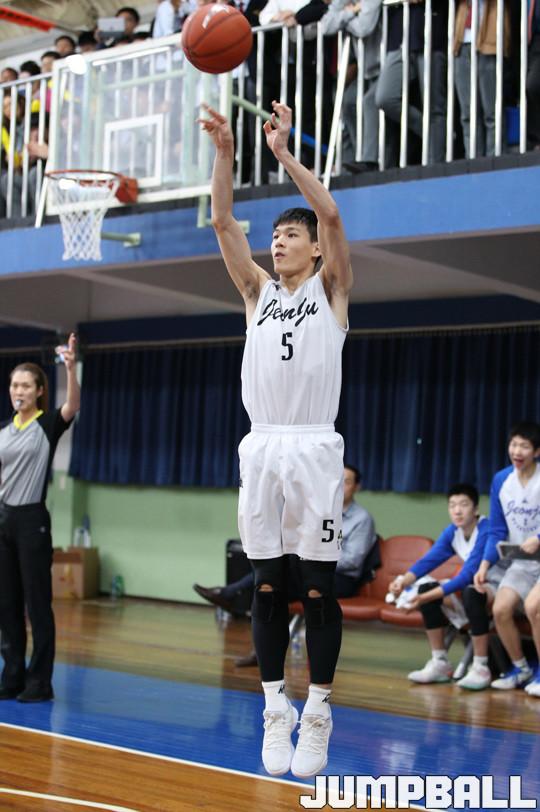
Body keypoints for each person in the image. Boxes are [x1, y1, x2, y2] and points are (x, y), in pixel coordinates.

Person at [198, 100, 352, 778]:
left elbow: (333, 215)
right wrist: (226, 154)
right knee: (265, 587)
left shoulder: (332, 288)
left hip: (314, 447)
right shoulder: (256, 293)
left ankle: (317, 710)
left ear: (313, 248)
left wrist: (285, 156)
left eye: (291, 235)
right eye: (275, 236)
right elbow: (222, 221)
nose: (278, 242)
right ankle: (274, 707)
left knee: (316, 589)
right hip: (262, 445)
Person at [0, 334, 80, 703]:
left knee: (37, 604)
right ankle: (12, 675)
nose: (19, 391)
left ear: (39, 391)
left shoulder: (47, 424)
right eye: (14, 385)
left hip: (33, 522)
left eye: (26, 385)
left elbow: (73, 406)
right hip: (4, 521)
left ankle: (40, 682)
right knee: (7, 604)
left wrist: (70, 368)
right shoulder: (4, 430)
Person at [194, 463, 378, 611]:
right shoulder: (319, 512)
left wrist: (312, 557)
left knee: (273, 580)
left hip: (341, 579)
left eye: (346, 482)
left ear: (357, 487)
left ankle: (232, 595)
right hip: (310, 570)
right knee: (272, 576)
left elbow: (352, 561)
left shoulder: (362, 519)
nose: (339, 486)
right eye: (336, 480)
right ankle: (240, 604)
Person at [390, 483, 505, 690]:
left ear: (476, 509)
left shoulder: (487, 530)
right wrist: (403, 582)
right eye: (452, 505)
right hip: (473, 588)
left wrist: (423, 598)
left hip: (500, 588)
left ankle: (481, 666)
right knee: (426, 589)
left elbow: (467, 576)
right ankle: (440, 662)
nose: (457, 511)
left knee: (470, 593)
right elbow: (428, 561)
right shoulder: (453, 532)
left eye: (463, 505)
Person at [474, 421, 540, 692]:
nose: (517, 451)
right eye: (514, 444)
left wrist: (539, 538)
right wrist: (484, 564)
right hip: (522, 561)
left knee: (534, 608)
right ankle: (521, 669)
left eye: (524, 446)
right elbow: (497, 529)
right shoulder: (502, 480)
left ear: (537, 451)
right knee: (500, 609)